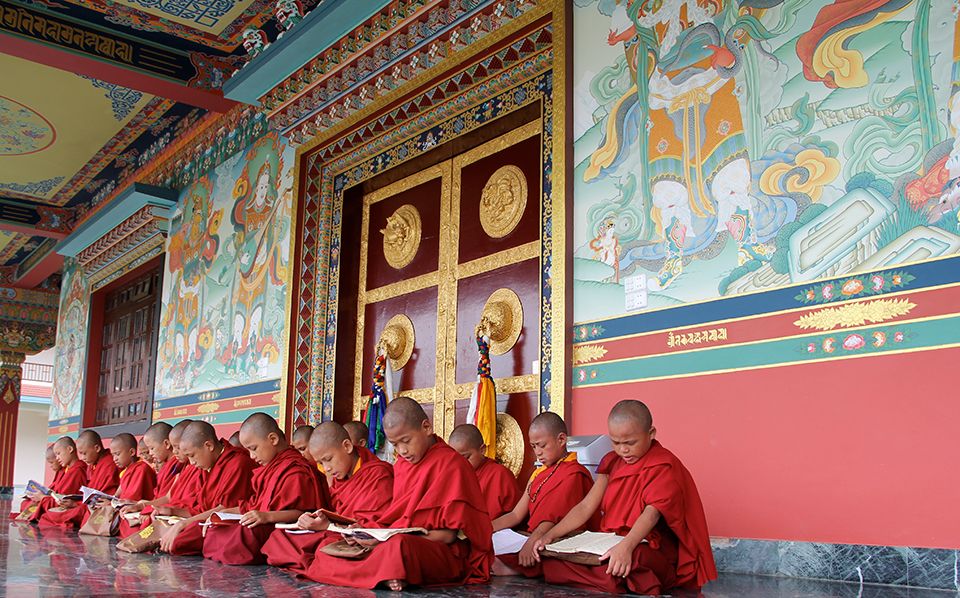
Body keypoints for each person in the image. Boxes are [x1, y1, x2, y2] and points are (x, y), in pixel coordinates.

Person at [302, 397, 493, 591]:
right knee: (326, 549)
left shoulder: (452, 464)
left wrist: (385, 540)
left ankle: (385, 572)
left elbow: (447, 537)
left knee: (399, 547)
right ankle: (387, 574)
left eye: (406, 441)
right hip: (399, 541)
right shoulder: (402, 465)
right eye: (395, 444)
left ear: (426, 427)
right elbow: (397, 519)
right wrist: (365, 531)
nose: (402, 451)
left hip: (441, 550)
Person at [532, 400, 717, 594]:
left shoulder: (663, 465)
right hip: (609, 542)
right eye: (616, 443)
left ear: (651, 433)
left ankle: (614, 576)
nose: (623, 450)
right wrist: (551, 535)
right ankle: (616, 578)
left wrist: (625, 547)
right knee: (555, 559)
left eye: (630, 443)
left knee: (632, 559)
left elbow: (651, 514)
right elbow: (586, 506)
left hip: (647, 547)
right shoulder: (611, 463)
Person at [262, 421, 393, 571]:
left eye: (328, 459)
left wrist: (328, 526)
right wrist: (316, 520)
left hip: (358, 539)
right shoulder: (340, 478)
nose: (327, 468)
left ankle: (375, 571)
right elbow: (337, 512)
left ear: (347, 446)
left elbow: (378, 526)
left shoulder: (378, 474)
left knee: (324, 549)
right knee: (279, 538)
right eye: (320, 463)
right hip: (336, 533)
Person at [203, 413, 325, 565]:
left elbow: (302, 513)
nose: (252, 456)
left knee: (245, 534)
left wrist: (266, 516)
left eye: (253, 449)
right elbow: (253, 505)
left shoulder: (296, 469)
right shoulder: (270, 468)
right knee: (217, 529)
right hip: (264, 522)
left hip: (283, 526)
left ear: (273, 439)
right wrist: (222, 513)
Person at [492, 412, 596, 576]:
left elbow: (551, 519)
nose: (537, 452)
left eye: (542, 445)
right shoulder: (538, 474)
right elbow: (515, 515)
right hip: (533, 535)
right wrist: (484, 529)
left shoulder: (574, 474)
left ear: (561, 440)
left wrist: (532, 542)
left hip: (557, 537)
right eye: (533, 447)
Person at [158, 421, 257, 555]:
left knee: (178, 541)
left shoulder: (237, 463)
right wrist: (172, 512)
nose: (192, 463)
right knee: (159, 528)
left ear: (208, 445)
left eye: (192, 455)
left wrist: (183, 524)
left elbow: (225, 509)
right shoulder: (207, 466)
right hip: (206, 521)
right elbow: (200, 507)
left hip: (225, 523)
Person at [40, 430, 120, 529]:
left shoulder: (108, 464)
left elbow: (104, 495)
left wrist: (76, 505)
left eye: (84, 453)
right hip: (86, 505)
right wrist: (75, 503)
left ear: (97, 448)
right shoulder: (93, 464)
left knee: (51, 516)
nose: (82, 458)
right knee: (50, 514)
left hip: (99, 507)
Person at [81, 433, 157, 532]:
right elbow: (117, 496)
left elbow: (131, 500)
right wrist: (109, 501)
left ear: (132, 452)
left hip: (136, 510)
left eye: (117, 454)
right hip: (124, 509)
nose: (114, 459)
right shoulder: (126, 471)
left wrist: (111, 504)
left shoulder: (141, 469)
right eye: (113, 455)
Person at [448, 423, 520, 520]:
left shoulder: (499, 474)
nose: (461, 464)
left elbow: (516, 514)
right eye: (455, 459)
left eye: (466, 457)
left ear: (482, 450)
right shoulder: (452, 476)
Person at [14, 442, 82, 522]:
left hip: (64, 504)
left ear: (70, 449)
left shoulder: (78, 469)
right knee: (25, 503)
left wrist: (43, 498)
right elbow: (54, 490)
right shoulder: (64, 470)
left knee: (48, 515)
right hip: (55, 501)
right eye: (56, 455)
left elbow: (63, 499)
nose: (58, 458)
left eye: (58, 454)